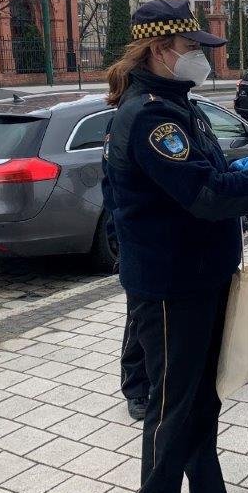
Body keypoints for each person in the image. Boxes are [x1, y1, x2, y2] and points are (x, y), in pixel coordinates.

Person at [103, 0, 248, 493]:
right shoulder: (152, 118)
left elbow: (207, 175)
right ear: (162, 50)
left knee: (200, 405)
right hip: (173, 288)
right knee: (172, 414)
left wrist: (236, 172)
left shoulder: (178, 105)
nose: (202, 57)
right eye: (192, 47)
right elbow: (205, 196)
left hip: (198, 277)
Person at [101, 135, 150, 422]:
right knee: (139, 316)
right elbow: (113, 191)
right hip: (138, 240)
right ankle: (136, 389)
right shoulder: (125, 122)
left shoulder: (190, 111)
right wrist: (121, 241)